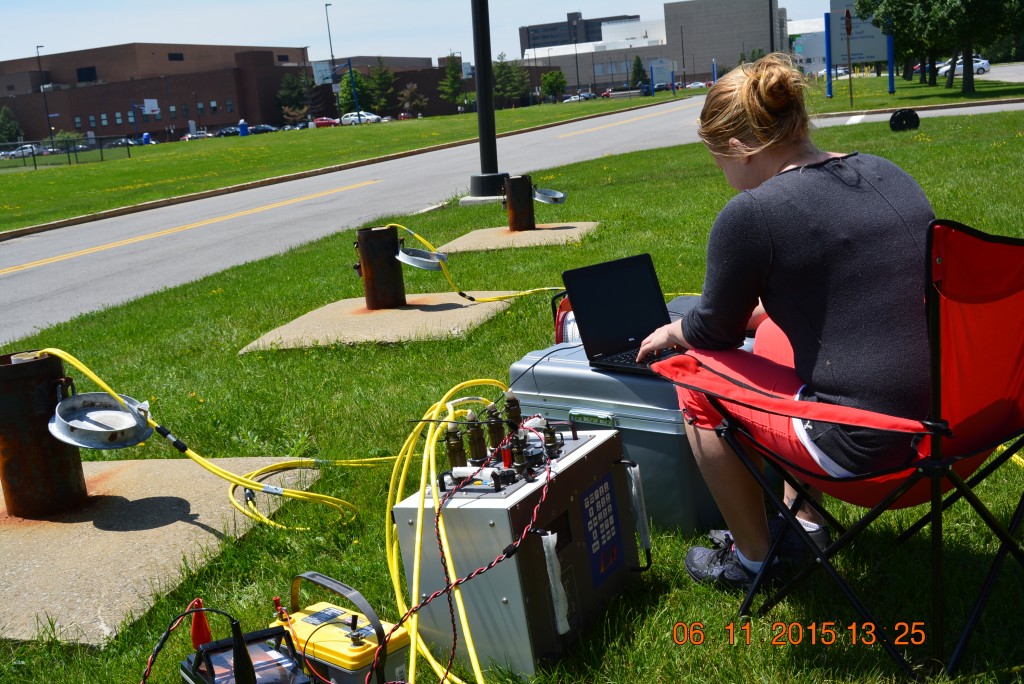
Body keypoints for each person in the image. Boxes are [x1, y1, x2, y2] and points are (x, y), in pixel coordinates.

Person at [636, 53, 935, 590]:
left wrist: (673, 330)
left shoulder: (753, 214)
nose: (724, 177)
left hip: (870, 453)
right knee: (772, 330)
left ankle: (754, 560)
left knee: (693, 373)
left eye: (717, 162)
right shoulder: (887, 172)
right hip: (957, 434)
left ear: (736, 147)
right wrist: (767, 314)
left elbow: (713, 334)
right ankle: (806, 522)